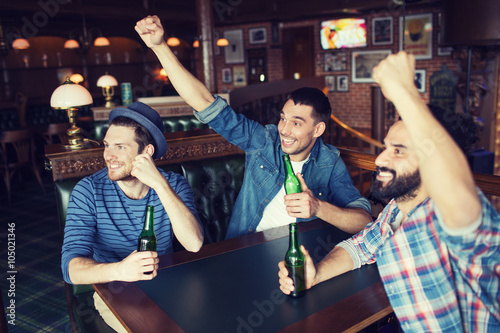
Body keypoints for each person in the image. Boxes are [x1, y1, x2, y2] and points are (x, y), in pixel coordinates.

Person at [278, 51, 500, 332]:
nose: (381, 159)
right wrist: (317, 273)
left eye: (399, 151)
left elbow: (455, 189)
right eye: (386, 147)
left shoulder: (454, 217)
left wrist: (404, 91)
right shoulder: (395, 212)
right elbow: (359, 247)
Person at [135, 15, 372, 240]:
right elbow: (206, 104)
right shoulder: (264, 141)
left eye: (297, 123)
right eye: (283, 118)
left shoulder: (329, 162)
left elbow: (363, 220)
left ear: (318, 129)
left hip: (299, 252)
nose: (285, 129)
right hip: (246, 249)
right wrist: (159, 47)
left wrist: (319, 207)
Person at [61, 102, 203, 332]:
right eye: (107, 145)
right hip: (114, 290)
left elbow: (194, 243)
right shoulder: (88, 191)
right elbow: (71, 269)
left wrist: (159, 184)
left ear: (146, 152)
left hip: (169, 283)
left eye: (120, 147)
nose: (108, 155)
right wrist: (120, 270)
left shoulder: (173, 184)